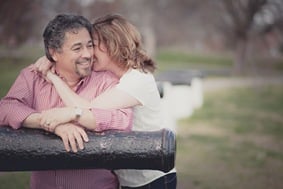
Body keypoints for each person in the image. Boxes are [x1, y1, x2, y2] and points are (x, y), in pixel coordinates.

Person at [33, 14, 177, 189]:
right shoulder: (114, 77)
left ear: (111, 45)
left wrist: (52, 77)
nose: (89, 53)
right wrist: (51, 59)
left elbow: (85, 107)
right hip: (128, 179)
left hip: (151, 179)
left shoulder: (137, 80)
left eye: (93, 44)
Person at [0, 14, 133, 189]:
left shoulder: (106, 80)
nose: (87, 54)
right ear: (54, 53)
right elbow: (6, 107)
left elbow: (123, 120)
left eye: (90, 45)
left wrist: (75, 115)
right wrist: (50, 123)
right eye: (77, 48)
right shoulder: (32, 76)